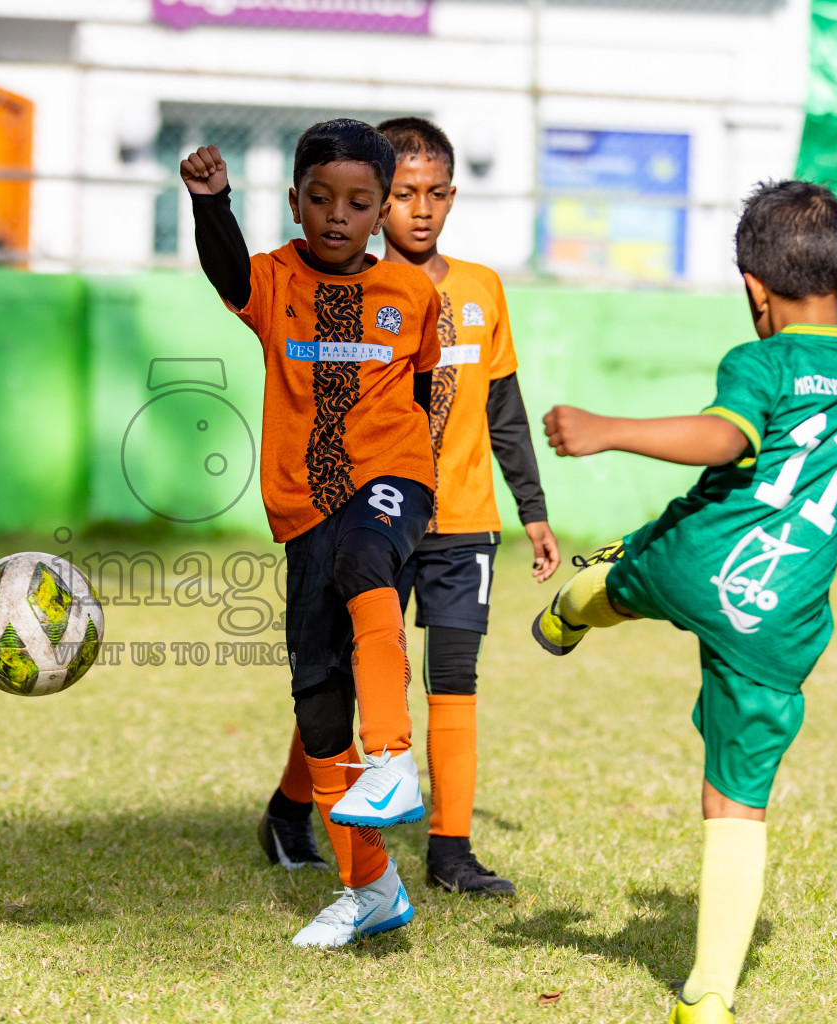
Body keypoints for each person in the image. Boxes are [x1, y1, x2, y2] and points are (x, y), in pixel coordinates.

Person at [530, 180, 837, 1024]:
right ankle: (710, 995)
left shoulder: (761, 361)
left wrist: (608, 429)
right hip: (779, 615)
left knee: (642, 565)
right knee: (736, 800)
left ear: (753, 290)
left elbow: (725, 437)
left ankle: (575, 607)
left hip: (698, 562)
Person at [259, 117, 561, 896]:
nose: (419, 210)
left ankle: (451, 852)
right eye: (401, 195)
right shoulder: (352, 292)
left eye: (434, 194)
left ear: (452, 198)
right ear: (375, 203)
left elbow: (503, 408)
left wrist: (532, 509)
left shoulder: (482, 289)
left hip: (463, 519)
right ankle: (295, 806)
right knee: (345, 677)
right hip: (374, 514)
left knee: (454, 678)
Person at [182, 119, 441, 948]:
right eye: (321, 199)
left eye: (358, 203)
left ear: (381, 211)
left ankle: (393, 757)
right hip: (303, 509)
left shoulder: (413, 294)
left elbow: (424, 391)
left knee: (366, 555)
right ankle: (371, 888)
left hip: (394, 478)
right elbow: (226, 271)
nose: (338, 215)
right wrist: (212, 203)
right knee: (319, 703)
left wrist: (419, 492)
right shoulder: (274, 280)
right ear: (295, 202)